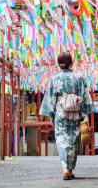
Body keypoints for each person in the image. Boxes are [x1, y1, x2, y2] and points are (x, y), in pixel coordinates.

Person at [39, 50, 94, 180]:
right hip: (75, 112)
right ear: (71, 63)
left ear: (59, 64)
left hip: (60, 114)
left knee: (62, 140)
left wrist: (51, 115)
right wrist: (85, 114)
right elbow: (85, 96)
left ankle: (66, 169)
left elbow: (50, 98)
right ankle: (69, 169)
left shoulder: (54, 79)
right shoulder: (79, 78)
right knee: (74, 140)